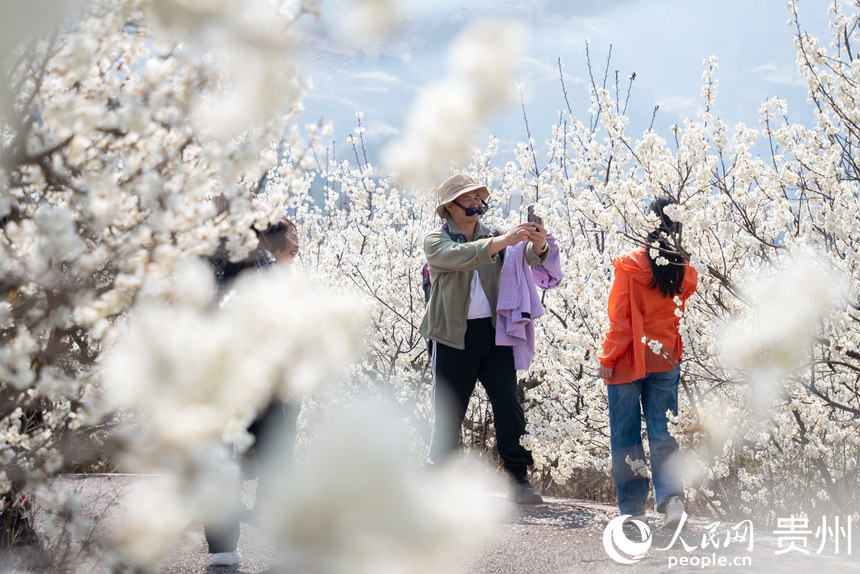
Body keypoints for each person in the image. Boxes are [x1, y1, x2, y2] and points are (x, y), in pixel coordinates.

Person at [420, 173, 549, 505]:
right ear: (450, 206)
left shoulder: (494, 237)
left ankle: (518, 479)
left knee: (508, 406)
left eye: (480, 197)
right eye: (470, 198)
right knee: (450, 411)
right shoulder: (435, 241)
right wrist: (505, 241)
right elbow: (463, 256)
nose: (478, 203)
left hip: (493, 336)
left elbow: (525, 261)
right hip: (451, 337)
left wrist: (538, 244)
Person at [597, 197, 698, 530]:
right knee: (663, 431)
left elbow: (621, 319)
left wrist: (608, 357)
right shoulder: (683, 268)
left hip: (627, 360)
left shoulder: (631, 265)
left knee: (625, 435)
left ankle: (633, 508)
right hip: (665, 356)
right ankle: (673, 500)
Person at [205, 217, 300, 567]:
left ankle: (222, 548)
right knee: (276, 450)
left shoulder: (201, 255)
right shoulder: (259, 258)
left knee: (218, 457)